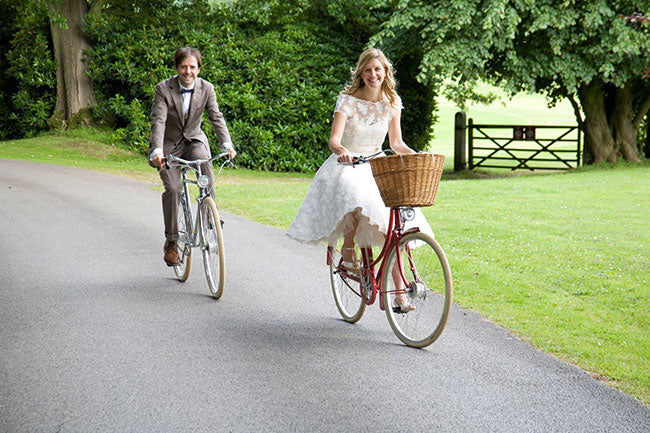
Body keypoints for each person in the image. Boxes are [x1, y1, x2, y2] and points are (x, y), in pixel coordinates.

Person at [287, 48, 435, 312]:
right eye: (367, 70)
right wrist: (343, 151)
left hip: (377, 163)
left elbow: (396, 143)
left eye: (378, 69)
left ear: (385, 72)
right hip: (349, 162)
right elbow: (334, 139)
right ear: (360, 73)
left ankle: (399, 296)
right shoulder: (347, 101)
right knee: (353, 192)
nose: (373, 75)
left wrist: (415, 156)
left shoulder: (392, 101)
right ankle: (347, 249)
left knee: (393, 223)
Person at [149, 47, 237, 266]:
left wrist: (227, 144)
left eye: (192, 67)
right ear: (177, 68)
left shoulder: (207, 89)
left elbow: (216, 117)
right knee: (173, 189)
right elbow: (158, 121)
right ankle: (171, 243)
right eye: (183, 67)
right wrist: (157, 151)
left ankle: (210, 214)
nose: (188, 71)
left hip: (194, 140)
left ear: (198, 69)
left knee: (205, 163)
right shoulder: (163, 89)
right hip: (169, 145)